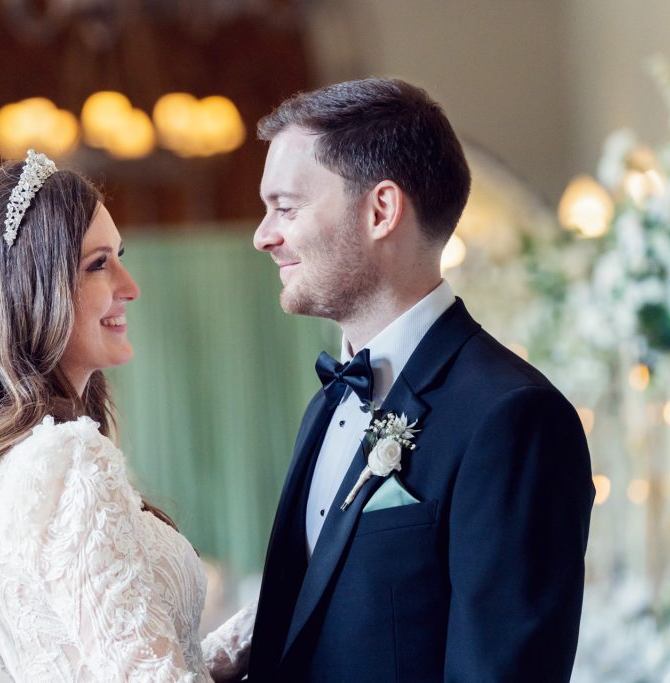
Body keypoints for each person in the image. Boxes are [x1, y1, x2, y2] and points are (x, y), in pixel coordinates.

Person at [247, 79, 594, 681]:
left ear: (381, 210)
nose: (263, 235)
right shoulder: (326, 406)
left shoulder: (513, 418)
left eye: (285, 206)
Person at [0, 152, 254, 682]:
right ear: (28, 291)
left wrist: (260, 629)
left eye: (119, 255)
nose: (130, 285)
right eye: (98, 264)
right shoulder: (65, 458)